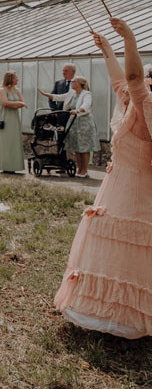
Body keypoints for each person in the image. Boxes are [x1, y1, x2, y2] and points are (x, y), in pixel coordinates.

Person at [53, 19, 152, 338]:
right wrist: (108, 47)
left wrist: (130, 39)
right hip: (118, 184)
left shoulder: (147, 104)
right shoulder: (134, 101)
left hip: (134, 188)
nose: (141, 81)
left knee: (127, 248)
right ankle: (112, 312)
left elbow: (133, 78)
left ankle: (125, 317)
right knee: (116, 247)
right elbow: (120, 80)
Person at [38, 77, 100, 178]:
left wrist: (78, 110)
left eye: (74, 82)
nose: (72, 83)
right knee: (76, 146)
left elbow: (86, 104)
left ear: (80, 84)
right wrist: (46, 94)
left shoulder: (86, 94)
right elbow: (59, 97)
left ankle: (84, 170)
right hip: (74, 121)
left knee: (84, 147)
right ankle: (79, 169)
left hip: (84, 121)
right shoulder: (71, 93)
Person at [0, 71, 27, 174]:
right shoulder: (1, 89)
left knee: (14, 142)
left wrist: (17, 104)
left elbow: (22, 102)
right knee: (5, 142)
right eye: (16, 77)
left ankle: (13, 165)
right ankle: (5, 165)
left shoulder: (17, 90)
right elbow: (5, 103)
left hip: (14, 118)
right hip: (5, 118)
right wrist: (18, 103)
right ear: (10, 78)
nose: (18, 79)